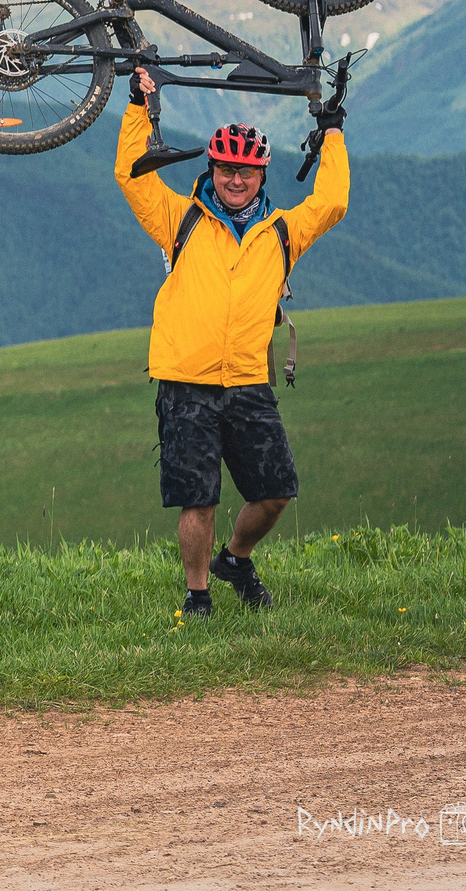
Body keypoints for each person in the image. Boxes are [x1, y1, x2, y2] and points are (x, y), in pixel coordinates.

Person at [117, 74, 347, 617]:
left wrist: (332, 133)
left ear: (261, 173)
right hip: (185, 380)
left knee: (276, 493)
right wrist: (136, 109)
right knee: (198, 498)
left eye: (244, 170)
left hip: (247, 380)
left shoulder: (283, 232)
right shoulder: (182, 219)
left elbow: (332, 201)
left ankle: (236, 559)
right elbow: (133, 178)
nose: (235, 178)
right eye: (226, 168)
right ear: (212, 170)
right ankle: (198, 596)